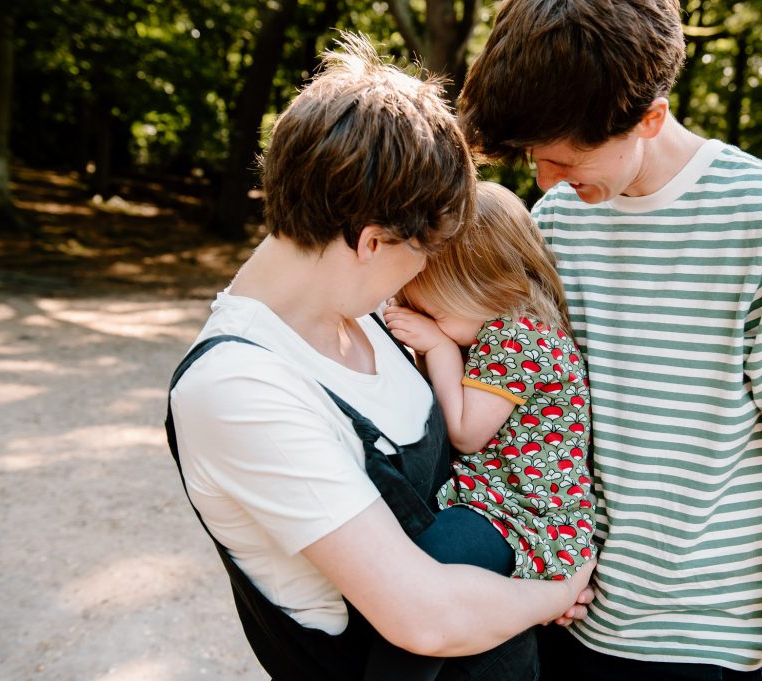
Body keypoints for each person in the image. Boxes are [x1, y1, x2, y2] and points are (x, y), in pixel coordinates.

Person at [457, 2, 762, 680]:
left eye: (562, 159)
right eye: (536, 158)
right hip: (563, 616)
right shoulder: (559, 218)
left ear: (649, 118)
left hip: (706, 649)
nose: (543, 181)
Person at [165, 33, 593, 681]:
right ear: (370, 241)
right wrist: (559, 593)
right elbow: (423, 616)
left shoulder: (365, 314)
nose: (415, 281)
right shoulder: (239, 386)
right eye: (420, 255)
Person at [368, 180, 598, 680]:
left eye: (432, 308)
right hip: (507, 507)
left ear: (477, 281)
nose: (421, 315)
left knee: (426, 573)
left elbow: (468, 433)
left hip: (524, 517)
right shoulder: (521, 326)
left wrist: (440, 350)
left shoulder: (515, 336)